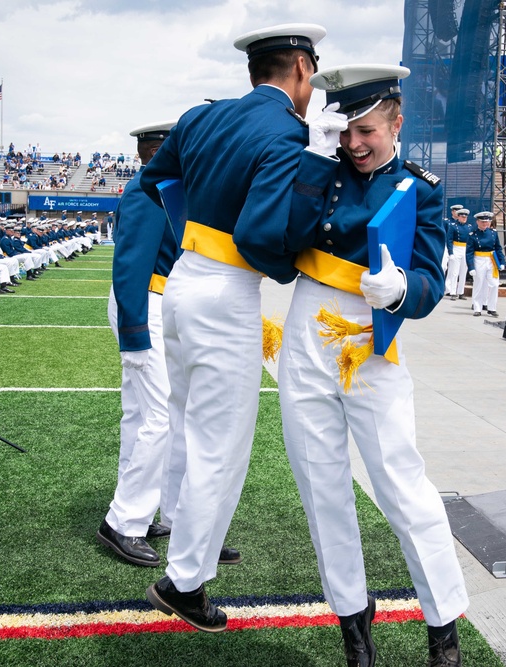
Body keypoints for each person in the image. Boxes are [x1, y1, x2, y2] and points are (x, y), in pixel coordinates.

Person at [139, 23, 327, 633]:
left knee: (187, 422)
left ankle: (181, 534)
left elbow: (155, 180)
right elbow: (258, 235)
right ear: (299, 68)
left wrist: (198, 228)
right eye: (313, 71)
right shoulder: (287, 133)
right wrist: (288, 266)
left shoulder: (200, 117)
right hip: (227, 289)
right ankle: (184, 582)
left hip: (183, 277)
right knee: (221, 444)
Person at [282, 63, 468, 667]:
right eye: (345, 131)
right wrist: (312, 160)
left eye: (366, 131)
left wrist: (402, 290)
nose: (354, 145)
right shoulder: (320, 169)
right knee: (321, 489)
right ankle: (354, 630)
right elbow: (285, 238)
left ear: (396, 123)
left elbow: (431, 281)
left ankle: (443, 628)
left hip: (371, 340)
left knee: (400, 484)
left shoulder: (421, 187)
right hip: (308, 328)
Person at [98, 120, 185, 567]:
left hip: (160, 299)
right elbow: (130, 262)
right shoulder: (148, 189)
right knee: (156, 416)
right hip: (143, 300)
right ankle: (124, 522)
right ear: (156, 152)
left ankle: (161, 514)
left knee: (145, 415)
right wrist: (135, 331)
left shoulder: (167, 185)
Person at [468, 211, 505, 317]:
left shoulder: (493, 233)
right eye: (482, 222)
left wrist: (501, 261)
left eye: (487, 221)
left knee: (494, 284)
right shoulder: (473, 235)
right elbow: (469, 252)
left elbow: (498, 248)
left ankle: (492, 307)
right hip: (479, 259)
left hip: (491, 260)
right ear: (477, 222)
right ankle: (477, 308)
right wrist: (471, 267)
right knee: (478, 284)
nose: (485, 224)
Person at [445, 207, 472, 300]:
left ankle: (461, 292)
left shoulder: (469, 227)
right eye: (462, 217)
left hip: (465, 249)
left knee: (463, 271)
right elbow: (449, 240)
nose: (464, 218)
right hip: (456, 248)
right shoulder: (453, 226)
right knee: (454, 272)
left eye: (465, 217)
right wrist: (451, 252)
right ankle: (452, 292)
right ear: (459, 217)